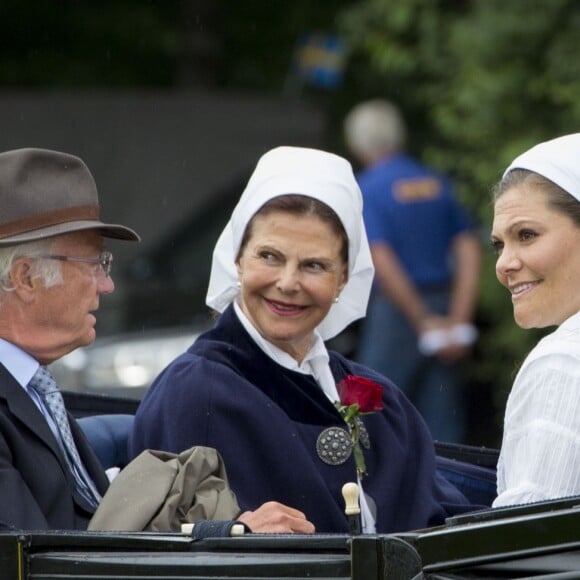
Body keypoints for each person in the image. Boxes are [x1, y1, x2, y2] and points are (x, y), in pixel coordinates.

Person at [130, 145, 475, 534]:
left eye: (314, 265)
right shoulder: (194, 396)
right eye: (270, 257)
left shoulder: (383, 402)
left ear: (344, 278)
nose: (289, 283)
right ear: (237, 260)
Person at [0, 147, 306, 534]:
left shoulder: (34, 388)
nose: (107, 285)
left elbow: (86, 536)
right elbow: (36, 561)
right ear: (26, 278)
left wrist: (226, 534)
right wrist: (227, 537)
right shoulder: (26, 389)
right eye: (94, 264)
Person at [343, 99, 482, 443]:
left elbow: (382, 258)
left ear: (356, 143)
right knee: (442, 418)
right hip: (445, 306)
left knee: (371, 412)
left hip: (398, 311)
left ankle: (369, 492)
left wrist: (422, 320)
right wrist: (458, 320)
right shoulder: (433, 180)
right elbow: (468, 248)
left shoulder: (368, 187)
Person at [490, 133, 580, 508]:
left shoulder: (564, 360)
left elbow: (529, 545)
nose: (503, 264)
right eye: (499, 244)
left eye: (527, 235)